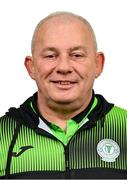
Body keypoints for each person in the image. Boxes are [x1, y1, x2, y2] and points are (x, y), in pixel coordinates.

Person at [0, 11, 127, 179]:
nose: (64, 67)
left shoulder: (124, 128)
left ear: (98, 64)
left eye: (77, 55)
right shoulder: (3, 135)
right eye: (51, 56)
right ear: (31, 67)